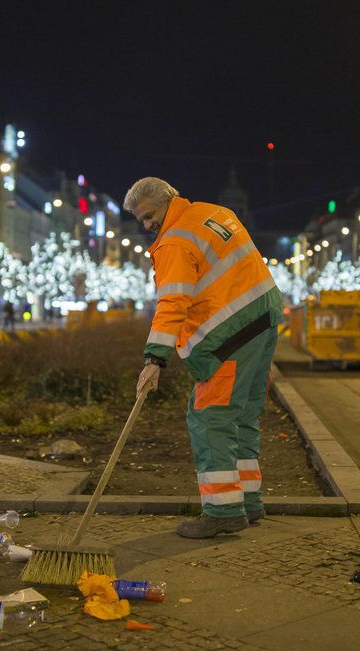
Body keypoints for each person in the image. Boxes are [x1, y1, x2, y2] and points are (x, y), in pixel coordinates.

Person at [127, 177, 283, 539]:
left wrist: (154, 359)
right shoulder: (217, 213)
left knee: (210, 418)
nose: (148, 225)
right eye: (141, 220)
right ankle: (248, 501)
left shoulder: (175, 242)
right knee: (241, 414)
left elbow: (173, 302)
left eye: (149, 215)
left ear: (167, 201)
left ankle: (224, 511)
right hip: (263, 319)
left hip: (229, 334)